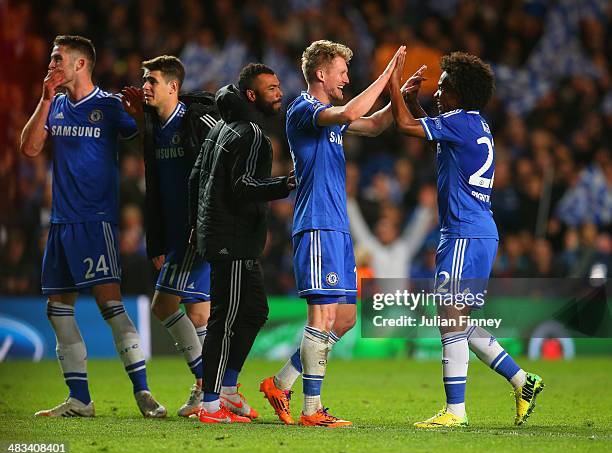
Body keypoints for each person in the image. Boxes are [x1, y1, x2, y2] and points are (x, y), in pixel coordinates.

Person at [388, 49, 544, 428]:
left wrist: (393, 84)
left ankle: (455, 411)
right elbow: (433, 133)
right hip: (476, 232)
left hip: (463, 233)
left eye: (442, 88)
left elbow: (407, 128)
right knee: (458, 319)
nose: (437, 93)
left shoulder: (457, 121)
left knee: (450, 318)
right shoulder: (473, 123)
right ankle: (524, 381)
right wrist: (412, 102)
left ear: (459, 93)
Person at [260, 40, 410, 427]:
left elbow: (375, 124)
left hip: (338, 228)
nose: (346, 76)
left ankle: (281, 383)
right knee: (323, 316)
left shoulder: (332, 117)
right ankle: (312, 409)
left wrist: (398, 94)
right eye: (342, 70)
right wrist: (385, 74)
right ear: (321, 74)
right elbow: (350, 111)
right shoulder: (303, 110)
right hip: (316, 225)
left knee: (343, 319)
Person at [19, 35, 165, 418]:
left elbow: (145, 138)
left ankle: (144, 393)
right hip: (61, 224)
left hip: (94, 222)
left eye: (57, 59)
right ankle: (80, 399)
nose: (51, 65)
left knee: (110, 305)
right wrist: (46, 99)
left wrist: (137, 117)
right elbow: (30, 148)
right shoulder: (56, 105)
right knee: (57, 309)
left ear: (80, 64)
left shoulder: (109, 105)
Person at [191, 63, 295, 424]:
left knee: (254, 312)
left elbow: (196, 177)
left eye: (278, 86)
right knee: (226, 318)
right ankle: (209, 404)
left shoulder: (222, 127)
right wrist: (286, 184)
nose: (278, 93)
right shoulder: (251, 133)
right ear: (251, 96)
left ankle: (230, 389)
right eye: (270, 89)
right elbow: (243, 187)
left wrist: (198, 223)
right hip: (231, 240)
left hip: (228, 237)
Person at [121, 55, 214, 417]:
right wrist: (157, 241)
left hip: (194, 233)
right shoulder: (153, 127)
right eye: (144, 79)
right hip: (174, 235)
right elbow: (157, 190)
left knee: (163, 305)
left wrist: (205, 224)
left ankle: (211, 387)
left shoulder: (193, 121)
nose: (145, 86)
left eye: (152, 81)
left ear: (173, 87)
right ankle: (213, 393)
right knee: (199, 315)